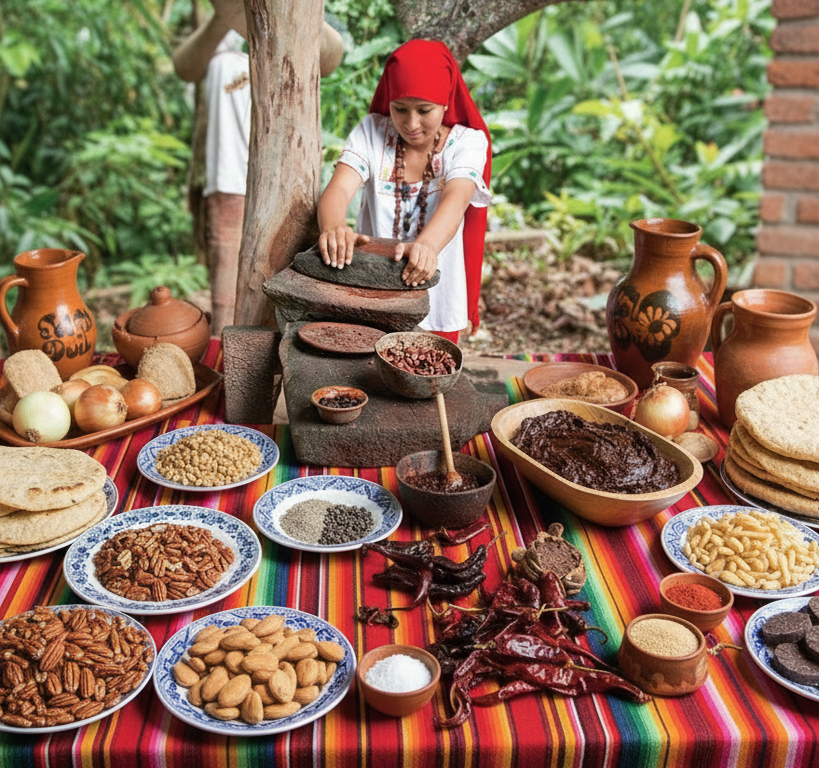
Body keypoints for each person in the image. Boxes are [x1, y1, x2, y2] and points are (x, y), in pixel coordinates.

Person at [173, 0, 344, 334]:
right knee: (228, 286)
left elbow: (329, 58)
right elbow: (185, 67)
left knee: (283, 275)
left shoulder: (301, 9)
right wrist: (230, 13)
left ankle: (285, 361)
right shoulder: (220, 29)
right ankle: (226, 362)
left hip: (288, 174)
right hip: (228, 174)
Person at [317, 39, 492, 344]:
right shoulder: (372, 131)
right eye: (400, 109)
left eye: (425, 110)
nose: (411, 124)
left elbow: (457, 197)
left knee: (429, 374)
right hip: (372, 290)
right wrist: (333, 228)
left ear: (446, 102)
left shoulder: (467, 143)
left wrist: (426, 247)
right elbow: (340, 187)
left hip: (438, 294)